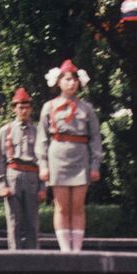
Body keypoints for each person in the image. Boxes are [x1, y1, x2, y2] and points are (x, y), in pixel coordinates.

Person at [37, 59, 102, 253]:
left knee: (78, 206)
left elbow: (95, 138)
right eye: (67, 79)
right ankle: (66, 250)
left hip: (80, 158)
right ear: (59, 82)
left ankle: (77, 249)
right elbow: (42, 138)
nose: (71, 83)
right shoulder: (48, 107)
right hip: (57, 157)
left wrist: (95, 165)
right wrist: (43, 165)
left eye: (74, 79)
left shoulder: (87, 109)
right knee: (62, 206)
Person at [0, 86, 45, 250]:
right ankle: (14, 257)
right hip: (13, 176)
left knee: (32, 221)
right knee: (14, 221)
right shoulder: (5, 131)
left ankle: (33, 257)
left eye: (27, 107)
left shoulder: (38, 131)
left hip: (32, 178)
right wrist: (2, 185)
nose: (24, 110)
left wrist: (43, 187)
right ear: (14, 108)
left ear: (31, 109)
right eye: (20, 107)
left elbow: (43, 160)